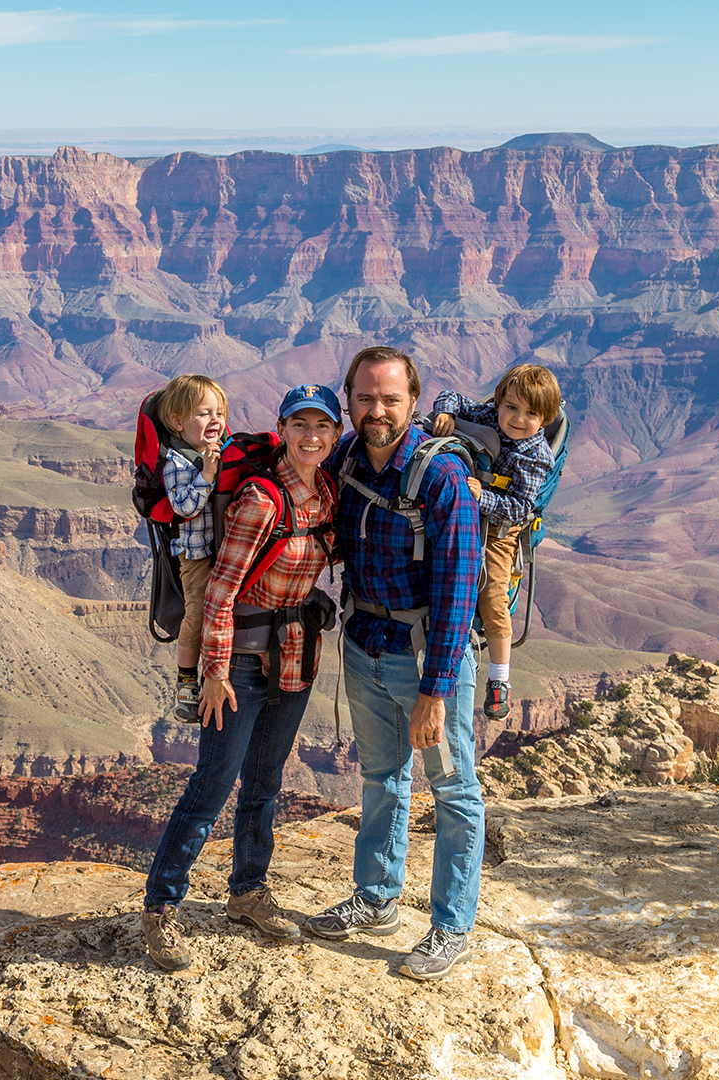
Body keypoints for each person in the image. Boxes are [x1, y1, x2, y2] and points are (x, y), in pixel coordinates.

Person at [141, 384, 342, 971]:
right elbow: (222, 592)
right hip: (242, 669)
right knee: (210, 787)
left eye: (323, 427)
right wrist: (214, 672)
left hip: (296, 659)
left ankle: (247, 893)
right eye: (300, 425)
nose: (312, 437)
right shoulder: (260, 496)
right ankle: (161, 909)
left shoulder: (327, 491)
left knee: (264, 785)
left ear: (334, 435)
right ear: (282, 429)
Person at [307, 346, 485, 982]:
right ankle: (378, 897)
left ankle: (451, 926)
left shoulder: (441, 482)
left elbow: (460, 590)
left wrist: (436, 692)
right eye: (364, 398)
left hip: (423, 659)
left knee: (454, 790)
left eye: (389, 399)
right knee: (383, 778)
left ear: (414, 402)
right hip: (364, 646)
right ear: (349, 401)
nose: (375, 410)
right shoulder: (350, 458)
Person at [429, 365, 561, 721]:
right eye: (511, 407)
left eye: (531, 413)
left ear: (545, 418)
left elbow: (520, 508)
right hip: (468, 514)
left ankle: (499, 679)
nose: (517, 419)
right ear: (500, 401)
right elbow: (453, 396)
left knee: (492, 597)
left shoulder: (535, 456)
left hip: (502, 531)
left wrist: (481, 496)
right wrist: (445, 412)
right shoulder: (489, 415)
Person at [155, 374, 229, 721]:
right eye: (203, 413)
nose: (214, 421)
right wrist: (208, 476)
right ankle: (186, 682)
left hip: (224, 551)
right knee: (197, 615)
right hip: (197, 555)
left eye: (219, 413)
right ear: (177, 421)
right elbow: (185, 506)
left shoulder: (220, 452)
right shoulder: (177, 462)